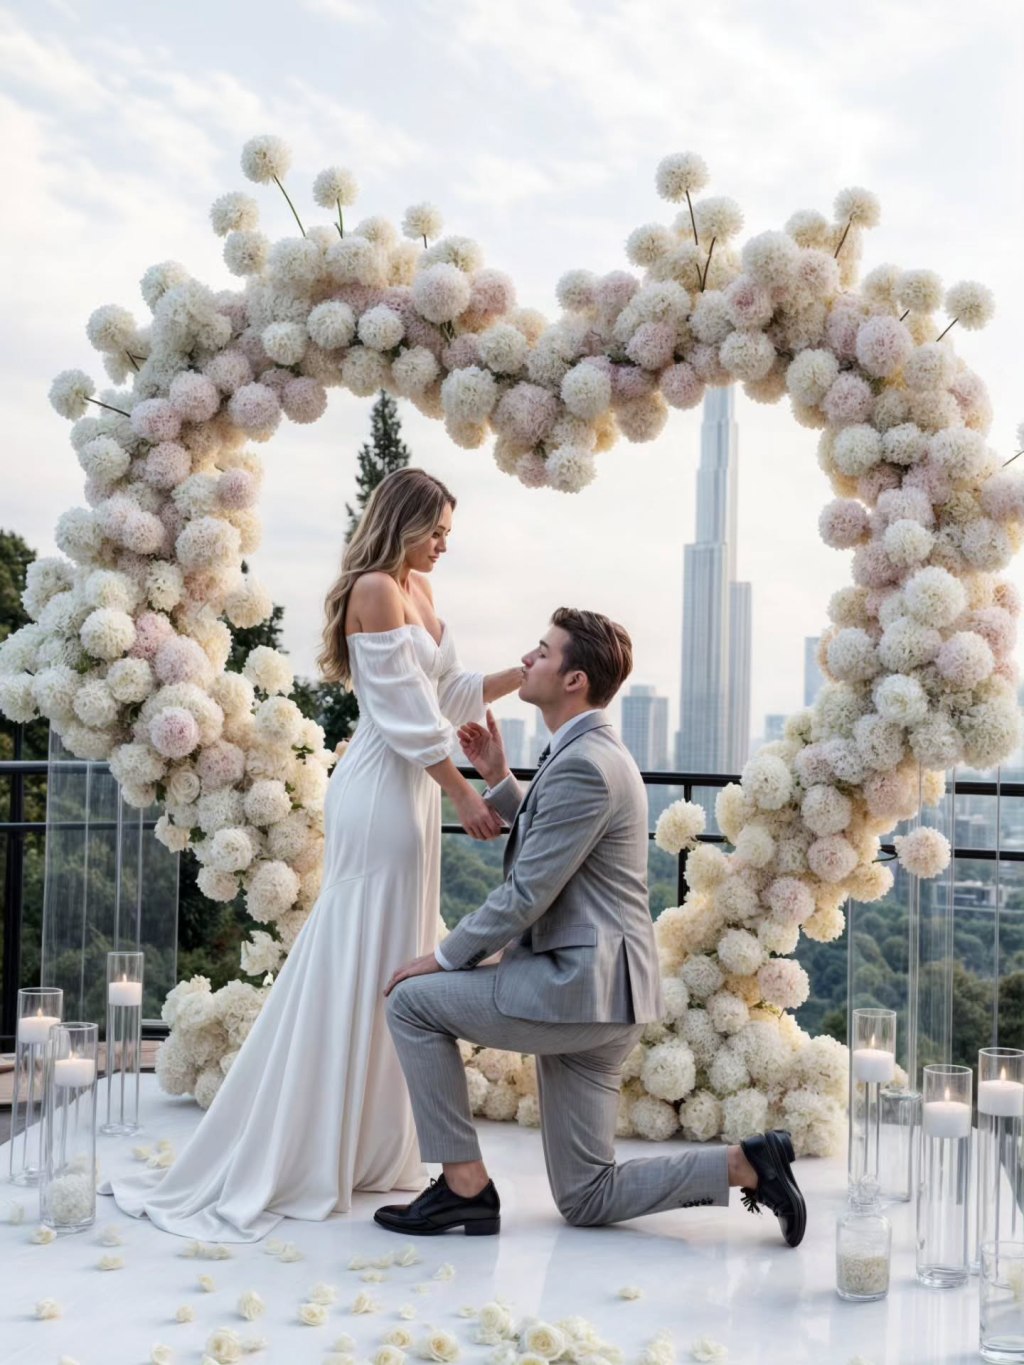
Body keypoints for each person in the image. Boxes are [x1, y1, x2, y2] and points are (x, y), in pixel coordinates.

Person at [111, 468, 523, 1241]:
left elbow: (453, 692)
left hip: (417, 790)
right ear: (402, 522)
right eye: (435, 530)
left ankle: (370, 1137)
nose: (443, 544)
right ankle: (310, 1136)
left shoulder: (422, 594)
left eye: (449, 534)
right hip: (381, 790)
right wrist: (466, 790)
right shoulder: (376, 588)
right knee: (359, 950)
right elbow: (403, 712)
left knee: (399, 953)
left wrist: (522, 675)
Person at [375, 608, 806, 1247]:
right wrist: (497, 779)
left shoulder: (584, 763)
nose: (527, 659)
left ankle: (464, 1188)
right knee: (585, 1195)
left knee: (412, 1002)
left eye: (542, 653)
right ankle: (747, 1164)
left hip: (578, 990)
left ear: (574, 679)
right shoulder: (589, 751)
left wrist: (443, 956)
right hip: (606, 997)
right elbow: (558, 844)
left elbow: (527, 891)